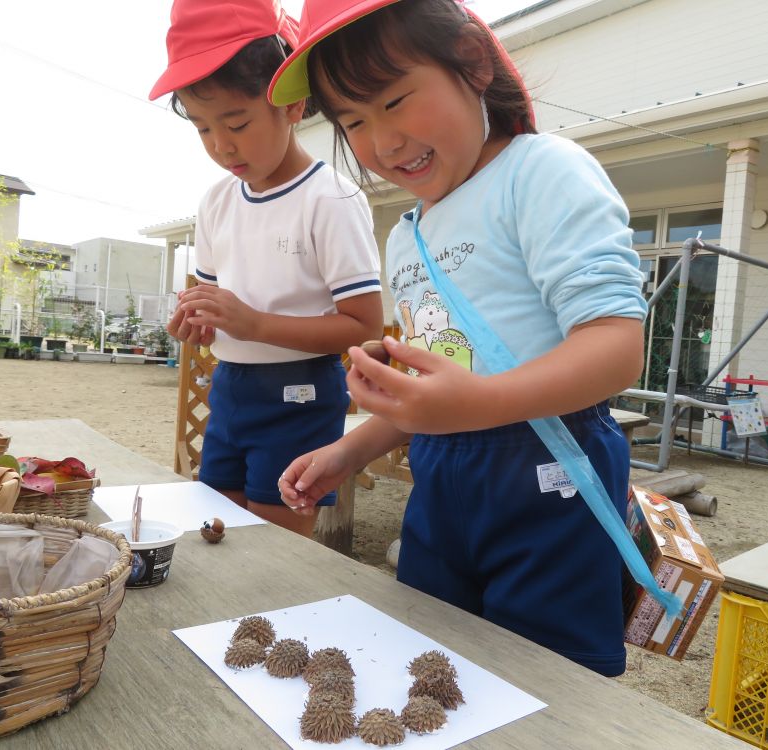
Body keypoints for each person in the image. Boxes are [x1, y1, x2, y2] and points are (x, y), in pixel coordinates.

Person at [272, 0, 647, 676]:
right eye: (353, 121)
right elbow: (433, 393)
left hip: (552, 477)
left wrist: (467, 407)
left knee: (548, 681)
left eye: (394, 100)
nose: (381, 143)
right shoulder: (404, 234)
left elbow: (616, 345)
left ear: (473, 62)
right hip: (443, 486)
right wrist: (351, 449)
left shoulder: (542, 172)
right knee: (428, 663)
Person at [151, 0, 384, 536]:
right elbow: (217, 319)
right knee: (215, 533)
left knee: (272, 550)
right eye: (204, 129)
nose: (221, 145)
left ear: (293, 104)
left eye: (237, 122)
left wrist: (253, 324)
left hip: (300, 395)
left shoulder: (330, 200)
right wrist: (196, 322)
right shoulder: (217, 202)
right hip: (230, 388)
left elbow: (363, 327)